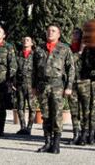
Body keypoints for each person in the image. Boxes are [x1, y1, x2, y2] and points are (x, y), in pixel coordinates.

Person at [34, 25, 75, 154]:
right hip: (42, 86)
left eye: (53, 31)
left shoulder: (64, 48)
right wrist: (33, 86)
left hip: (57, 85)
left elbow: (71, 69)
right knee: (45, 115)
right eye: (48, 31)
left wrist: (68, 87)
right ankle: (47, 142)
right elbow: (33, 69)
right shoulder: (39, 48)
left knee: (57, 114)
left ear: (59, 34)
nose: (50, 33)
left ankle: (56, 144)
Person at [15, 36, 36, 136]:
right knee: (20, 106)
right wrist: (13, 82)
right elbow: (14, 69)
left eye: (28, 40)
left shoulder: (35, 55)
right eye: (24, 40)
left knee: (32, 107)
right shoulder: (18, 55)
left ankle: (29, 127)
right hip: (20, 84)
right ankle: (22, 127)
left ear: (32, 43)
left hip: (31, 84)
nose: (25, 42)